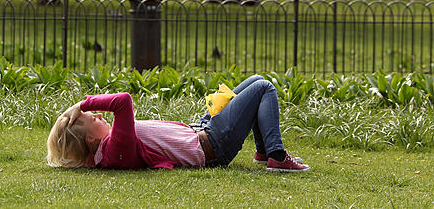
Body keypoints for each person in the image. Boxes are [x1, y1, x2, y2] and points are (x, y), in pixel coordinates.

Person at [46, 75, 309, 173]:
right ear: (91, 140)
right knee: (264, 88)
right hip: (212, 144)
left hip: (203, 129)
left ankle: (264, 152)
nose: (100, 115)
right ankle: (275, 154)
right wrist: (83, 105)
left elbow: (121, 106)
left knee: (255, 80)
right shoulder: (116, 148)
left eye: (95, 113)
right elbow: (123, 101)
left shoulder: (111, 145)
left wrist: (82, 110)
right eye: (94, 119)